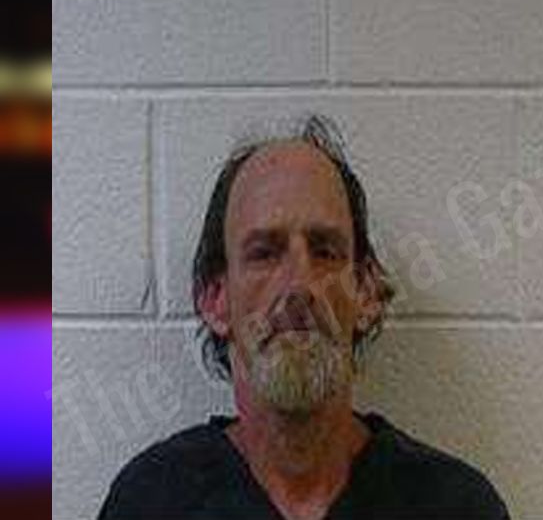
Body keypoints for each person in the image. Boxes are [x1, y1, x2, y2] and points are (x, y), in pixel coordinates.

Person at [97, 114, 510, 519]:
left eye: (325, 251)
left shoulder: (456, 505)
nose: (299, 285)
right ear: (216, 298)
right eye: (264, 253)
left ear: (366, 292)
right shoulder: (150, 501)